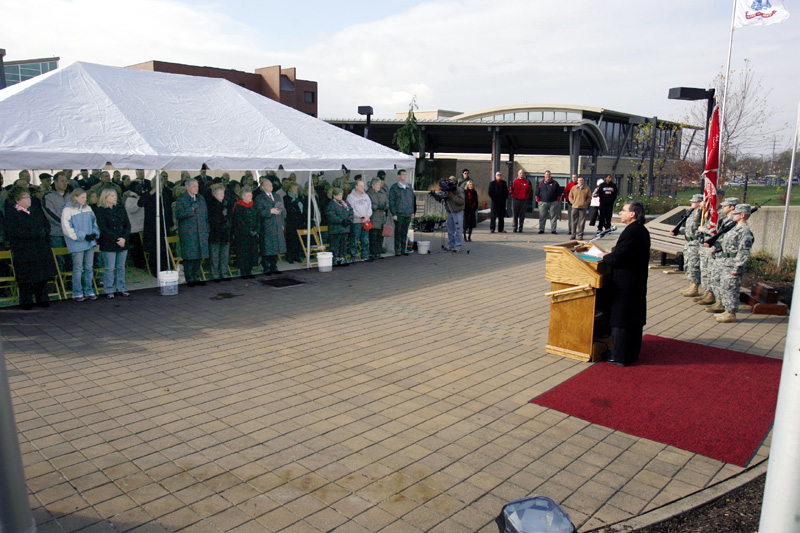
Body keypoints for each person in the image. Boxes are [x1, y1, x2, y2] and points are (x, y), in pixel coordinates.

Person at [600, 201, 650, 366]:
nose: (620, 213)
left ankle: (619, 356)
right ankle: (631, 353)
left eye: (623, 210)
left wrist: (605, 256)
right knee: (633, 318)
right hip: (636, 281)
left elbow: (618, 258)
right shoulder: (641, 230)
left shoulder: (631, 232)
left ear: (632, 214)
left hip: (625, 283)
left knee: (621, 319)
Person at [5, 187, 57, 309]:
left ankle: (42, 298)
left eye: (29, 197)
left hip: (40, 247)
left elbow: (45, 224)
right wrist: (33, 233)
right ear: (17, 200)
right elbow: (13, 232)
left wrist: (44, 232)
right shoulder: (12, 213)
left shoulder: (36, 210)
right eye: (26, 197)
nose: (29, 199)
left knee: (42, 275)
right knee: (26, 277)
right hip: (24, 249)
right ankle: (26, 301)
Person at [712, 204, 754, 323]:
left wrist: (738, 267)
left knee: (731, 288)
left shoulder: (745, 231)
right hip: (725, 262)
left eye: (736, 213)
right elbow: (725, 243)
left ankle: (731, 313)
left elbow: (743, 251)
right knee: (725, 287)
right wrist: (714, 245)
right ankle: (727, 310)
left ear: (743, 215)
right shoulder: (734, 228)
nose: (733, 215)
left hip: (733, 263)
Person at [697, 196, 738, 308]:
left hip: (723, 254)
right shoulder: (724, 220)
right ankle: (710, 295)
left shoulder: (733, 223)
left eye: (725, 205)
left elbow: (722, 237)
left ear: (732, 207)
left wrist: (714, 247)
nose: (722, 207)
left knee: (720, 280)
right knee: (711, 275)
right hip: (717, 252)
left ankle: (720, 302)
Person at [61, 188, 101, 301]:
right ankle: (77, 292)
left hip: (89, 242)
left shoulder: (88, 208)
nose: (85, 199)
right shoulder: (67, 210)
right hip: (77, 243)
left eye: (85, 197)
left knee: (89, 267)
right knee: (78, 268)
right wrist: (82, 236)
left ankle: (89, 290)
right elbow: (67, 228)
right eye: (82, 197)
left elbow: (94, 223)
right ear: (75, 197)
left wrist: (95, 233)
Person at [173, 178, 210, 286]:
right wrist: (191, 209)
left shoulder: (200, 198)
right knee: (189, 257)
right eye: (194, 186)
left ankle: (197, 277)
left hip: (201, 232)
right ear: (187, 187)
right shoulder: (181, 199)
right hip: (188, 233)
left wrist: (206, 229)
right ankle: (189, 278)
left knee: (199, 256)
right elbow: (178, 214)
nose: (196, 188)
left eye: (197, 186)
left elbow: (205, 215)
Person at [95, 189, 131, 298]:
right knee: (109, 267)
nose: (114, 197)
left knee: (121, 267)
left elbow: (127, 225)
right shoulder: (100, 210)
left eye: (115, 195)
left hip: (122, 241)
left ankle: (121, 288)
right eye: (111, 195)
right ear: (105, 197)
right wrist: (117, 239)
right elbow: (103, 228)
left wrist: (124, 238)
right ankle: (109, 289)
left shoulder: (120, 208)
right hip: (109, 242)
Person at [138, 174, 173, 276]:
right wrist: (154, 190)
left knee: (164, 248)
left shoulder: (166, 194)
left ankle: (164, 268)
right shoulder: (148, 194)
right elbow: (140, 203)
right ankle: (155, 270)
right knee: (154, 249)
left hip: (163, 225)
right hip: (152, 226)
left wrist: (170, 224)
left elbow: (168, 210)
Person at [671, 194, 703, 297]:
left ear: (700, 203)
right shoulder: (691, 213)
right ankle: (691, 285)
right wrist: (678, 231)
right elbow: (689, 229)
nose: (691, 203)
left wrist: (701, 207)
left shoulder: (702, 214)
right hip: (688, 243)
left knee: (694, 265)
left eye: (694, 201)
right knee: (688, 264)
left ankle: (695, 287)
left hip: (696, 243)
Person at [255, 177, 286, 275]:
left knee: (276, 245)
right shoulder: (259, 198)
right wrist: (269, 211)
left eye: (271, 185)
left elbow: (282, 210)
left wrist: (282, 223)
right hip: (267, 225)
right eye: (268, 185)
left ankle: (274, 266)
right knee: (267, 246)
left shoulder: (277, 196)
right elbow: (258, 212)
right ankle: (266, 267)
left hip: (277, 224)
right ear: (263, 187)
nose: (270, 186)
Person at [232, 187, 260, 279]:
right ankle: (243, 271)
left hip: (253, 234)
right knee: (243, 253)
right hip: (242, 235)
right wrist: (248, 231)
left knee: (252, 252)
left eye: (251, 195)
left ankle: (250, 270)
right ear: (243, 196)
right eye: (248, 195)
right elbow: (239, 222)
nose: (250, 197)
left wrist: (256, 230)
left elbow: (258, 218)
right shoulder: (238, 206)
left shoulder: (253, 206)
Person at [207, 184, 232, 282]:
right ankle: (215, 274)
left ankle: (224, 273)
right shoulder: (212, 205)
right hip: (215, 233)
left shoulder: (226, 204)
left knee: (224, 256)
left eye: (223, 193)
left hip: (225, 233)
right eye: (220, 193)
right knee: (215, 256)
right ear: (215, 194)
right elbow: (212, 220)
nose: (222, 195)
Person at [388, 169, 415, 256]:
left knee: (405, 232)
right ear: (399, 176)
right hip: (399, 213)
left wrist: (413, 211)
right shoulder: (394, 187)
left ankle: (403, 249)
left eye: (405, 174)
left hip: (408, 213)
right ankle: (398, 250)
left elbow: (413, 199)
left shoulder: (409, 187)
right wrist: (394, 213)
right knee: (398, 232)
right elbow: (391, 201)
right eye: (403, 174)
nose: (404, 176)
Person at [43, 171, 71, 250]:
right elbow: (50, 214)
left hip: (71, 233)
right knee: (59, 255)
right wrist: (65, 223)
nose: (65, 183)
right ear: (55, 182)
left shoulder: (71, 196)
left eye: (66, 181)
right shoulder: (48, 196)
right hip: (57, 234)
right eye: (62, 181)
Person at [325, 188, 353, 267]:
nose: (341, 196)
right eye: (339, 194)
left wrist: (349, 220)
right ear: (334, 195)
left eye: (341, 194)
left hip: (345, 228)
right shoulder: (331, 205)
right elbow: (331, 216)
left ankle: (342, 258)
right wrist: (341, 221)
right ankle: (335, 259)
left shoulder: (345, 203)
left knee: (343, 245)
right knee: (335, 245)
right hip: (335, 229)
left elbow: (351, 211)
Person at [346, 179, 372, 262]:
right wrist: (361, 217)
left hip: (366, 221)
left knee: (365, 240)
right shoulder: (350, 197)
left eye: (363, 186)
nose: (362, 187)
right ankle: (353, 256)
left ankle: (365, 256)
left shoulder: (366, 196)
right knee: (355, 240)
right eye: (360, 186)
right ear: (356, 187)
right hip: (356, 221)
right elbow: (351, 209)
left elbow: (369, 207)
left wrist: (367, 216)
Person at [282, 183, 305, 264]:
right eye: (294, 188)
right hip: (291, 221)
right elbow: (287, 208)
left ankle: (297, 255)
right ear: (290, 189)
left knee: (298, 239)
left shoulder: (300, 197)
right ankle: (290, 256)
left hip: (299, 221)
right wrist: (294, 202)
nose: (296, 190)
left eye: (297, 189)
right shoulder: (286, 198)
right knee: (291, 239)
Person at [366, 178, 389, 260]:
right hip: (373, 217)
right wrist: (377, 207)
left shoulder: (382, 192)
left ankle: (378, 252)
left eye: (379, 184)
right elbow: (369, 205)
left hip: (381, 217)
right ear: (373, 186)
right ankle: (372, 253)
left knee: (380, 236)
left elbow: (387, 202)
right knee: (373, 237)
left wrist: (385, 207)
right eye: (377, 184)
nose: (379, 186)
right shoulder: (369, 193)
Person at [444, 176, 466, 252]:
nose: (451, 182)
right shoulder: (446, 190)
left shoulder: (459, 190)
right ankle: (451, 245)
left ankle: (458, 245)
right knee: (450, 230)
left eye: (452, 181)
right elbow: (442, 200)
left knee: (458, 230)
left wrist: (453, 196)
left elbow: (461, 201)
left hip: (458, 212)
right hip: (449, 212)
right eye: (449, 181)